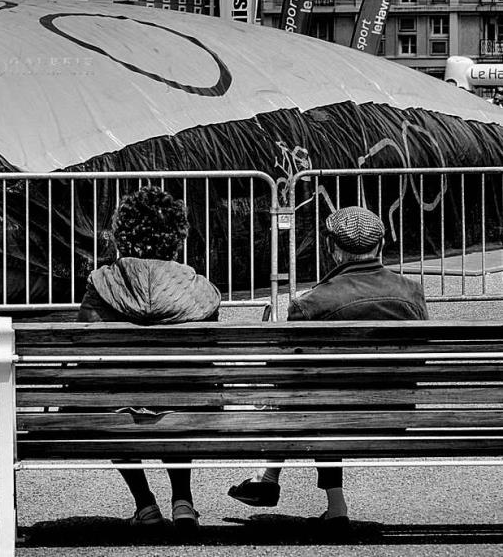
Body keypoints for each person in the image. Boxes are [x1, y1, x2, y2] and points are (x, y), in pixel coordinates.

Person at [228, 205, 428, 532]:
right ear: (380, 246)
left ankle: (274, 480)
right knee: (318, 395)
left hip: (330, 415)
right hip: (396, 412)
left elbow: (292, 372)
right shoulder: (412, 293)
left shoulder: (311, 304)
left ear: (332, 248)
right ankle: (278, 484)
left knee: (309, 395)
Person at [78, 185, 221, 531]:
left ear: (122, 235)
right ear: (176, 237)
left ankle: (145, 504)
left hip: (114, 402)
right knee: (175, 392)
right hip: (188, 402)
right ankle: (183, 501)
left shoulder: (101, 284)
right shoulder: (199, 290)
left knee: (105, 397)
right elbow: (204, 362)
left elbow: (85, 353)